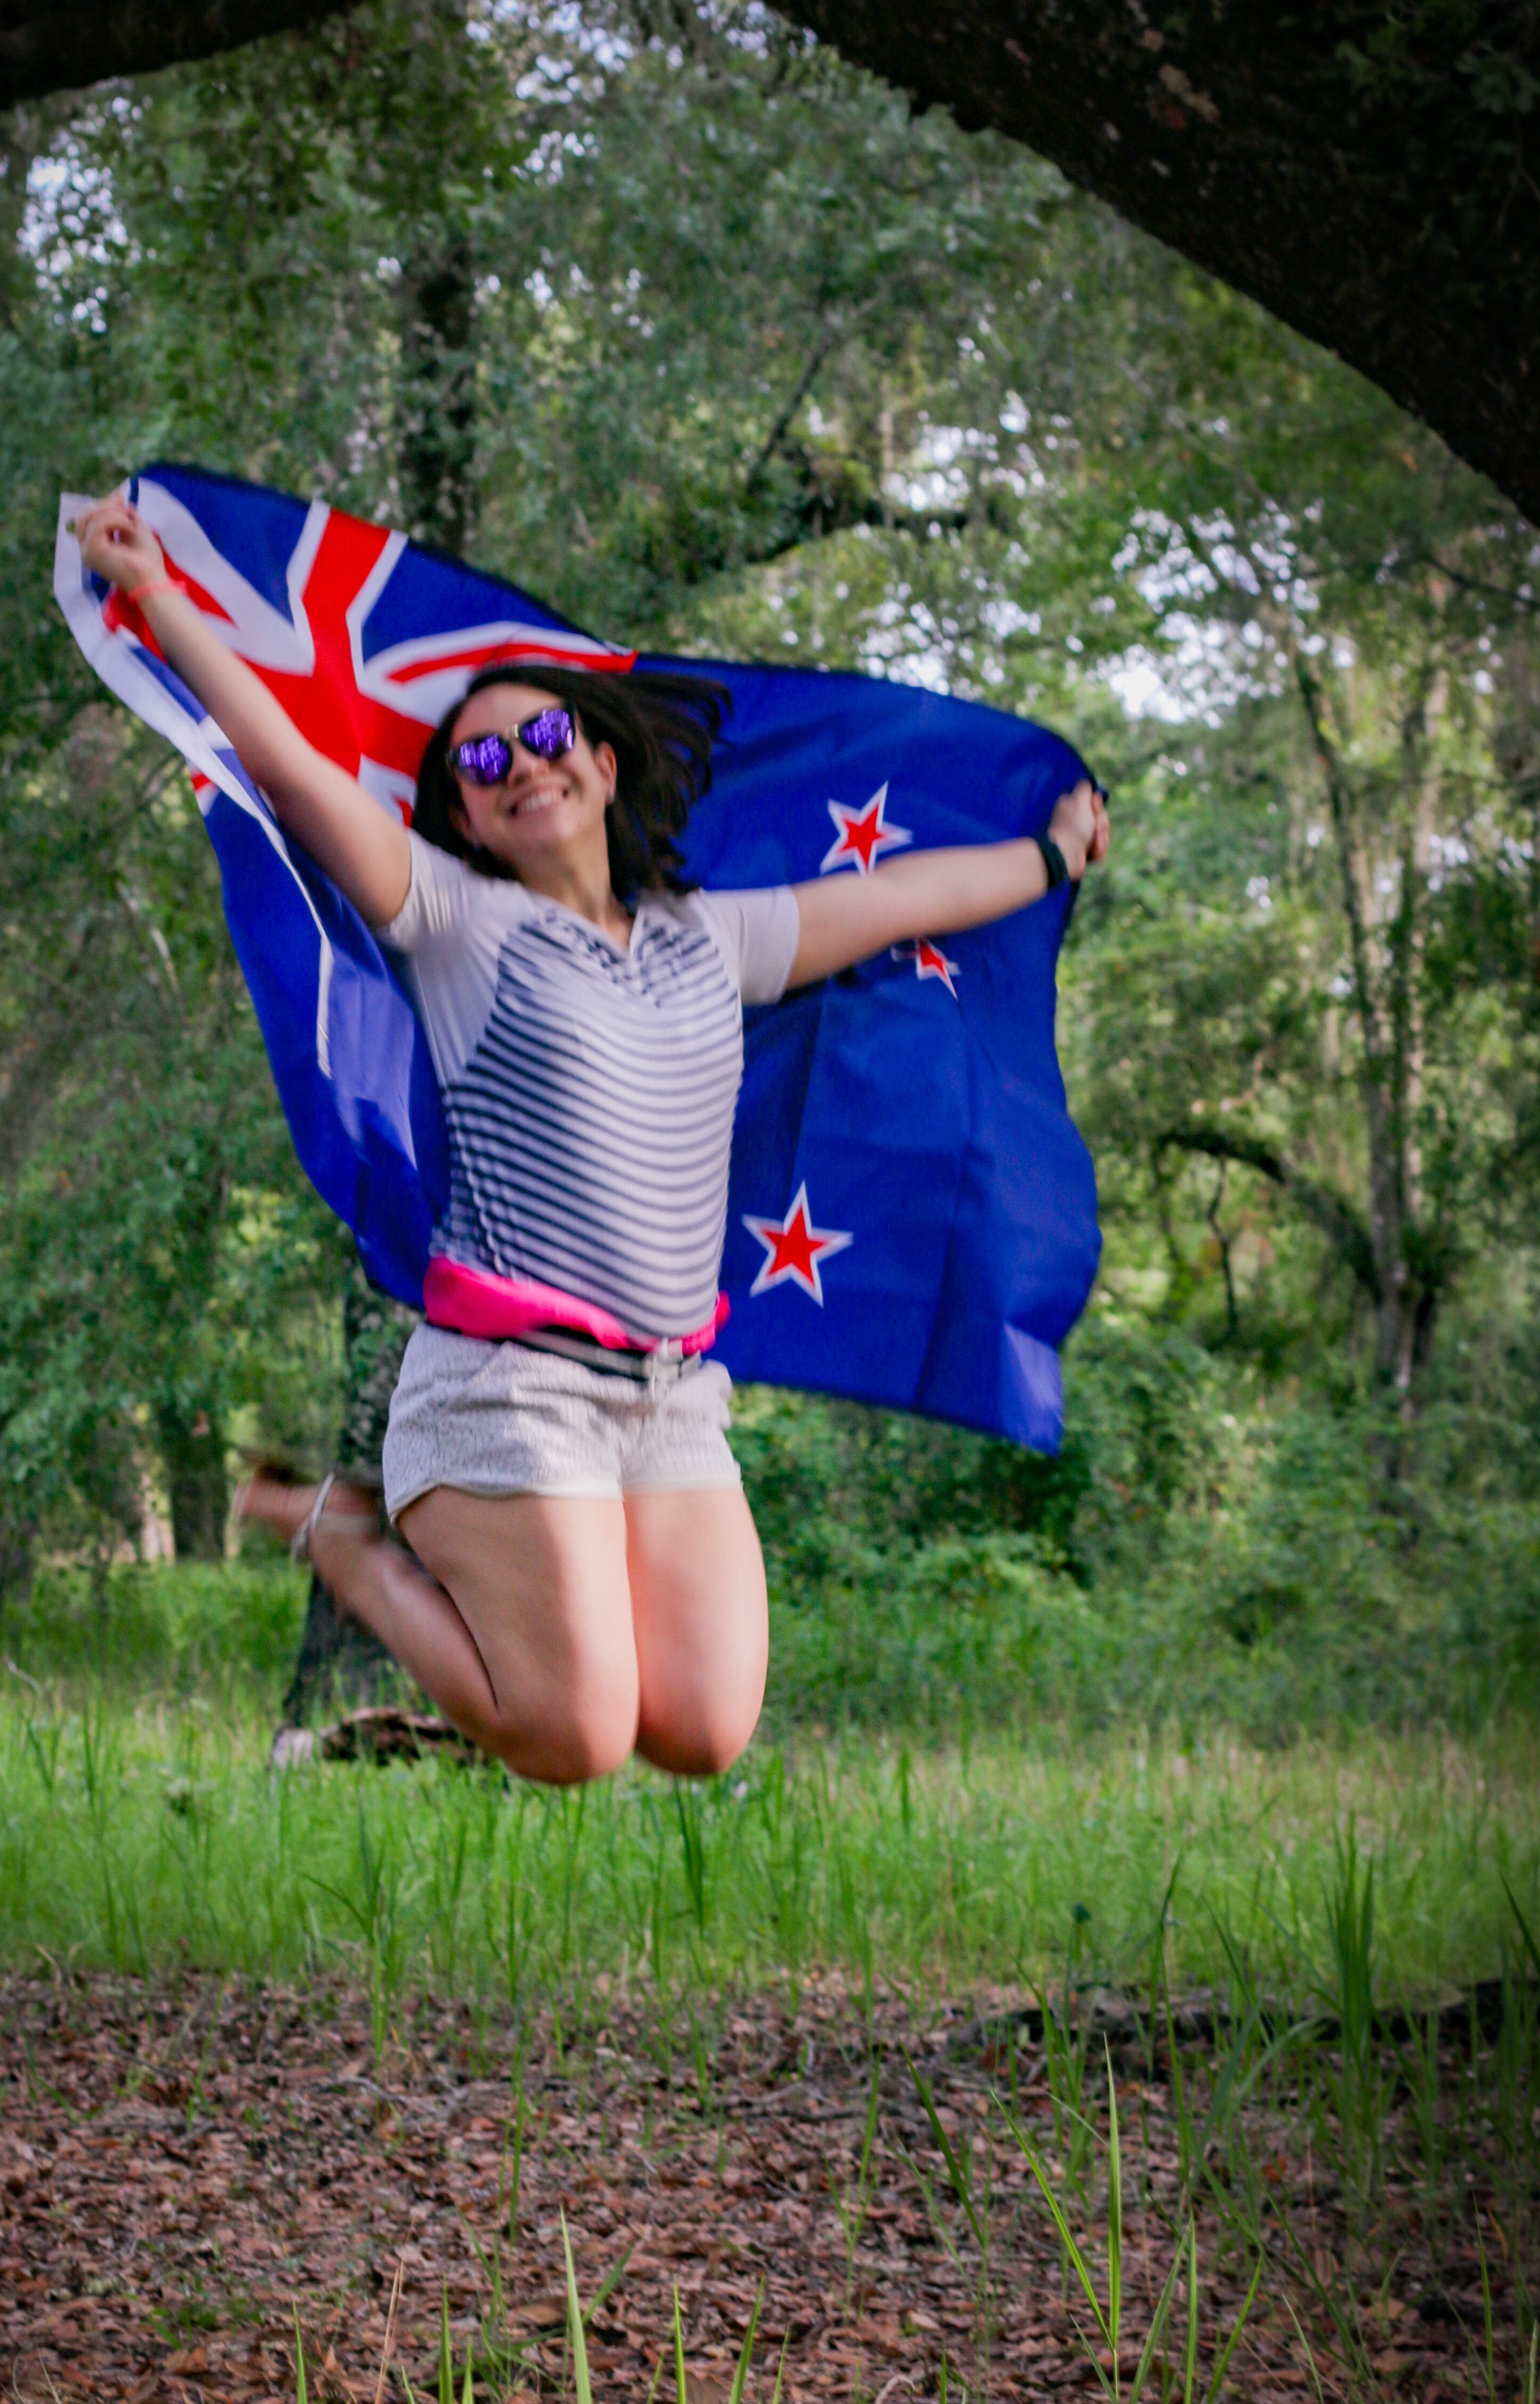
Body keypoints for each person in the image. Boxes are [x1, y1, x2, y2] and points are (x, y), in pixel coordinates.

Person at [74, 491, 1109, 1788]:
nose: (523, 766)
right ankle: (348, 1543)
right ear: (464, 817)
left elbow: (901, 895)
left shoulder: (713, 938)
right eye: (483, 764)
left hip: (671, 1392)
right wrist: (158, 595)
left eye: (548, 735)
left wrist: (1051, 857)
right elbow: (288, 765)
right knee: (574, 1739)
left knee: (701, 1733)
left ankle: (462, 1676)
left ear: (605, 764)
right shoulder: (453, 922)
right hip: (511, 1387)